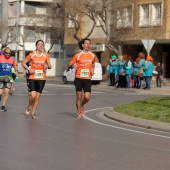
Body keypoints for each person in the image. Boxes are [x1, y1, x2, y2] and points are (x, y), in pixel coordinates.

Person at [21, 40, 52, 119]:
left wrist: (47, 66)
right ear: (36, 46)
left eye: (42, 45)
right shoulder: (31, 55)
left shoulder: (46, 55)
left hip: (42, 78)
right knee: (32, 96)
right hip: (33, 77)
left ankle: (33, 113)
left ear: (43, 46)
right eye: (39, 44)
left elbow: (50, 66)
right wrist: (29, 69)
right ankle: (29, 106)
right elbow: (23, 63)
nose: (41, 46)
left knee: (37, 97)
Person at [68, 38, 97, 119]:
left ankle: (82, 105)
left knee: (87, 97)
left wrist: (92, 69)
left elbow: (93, 64)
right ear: (82, 45)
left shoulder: (92, 55)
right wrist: (73, 65)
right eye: (86, 43)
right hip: (78, 77)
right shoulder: (77, 55)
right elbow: (69, 64)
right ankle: (79, 112)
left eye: (89, 43)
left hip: (87, 78)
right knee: (79, 96)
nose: (88, 45)